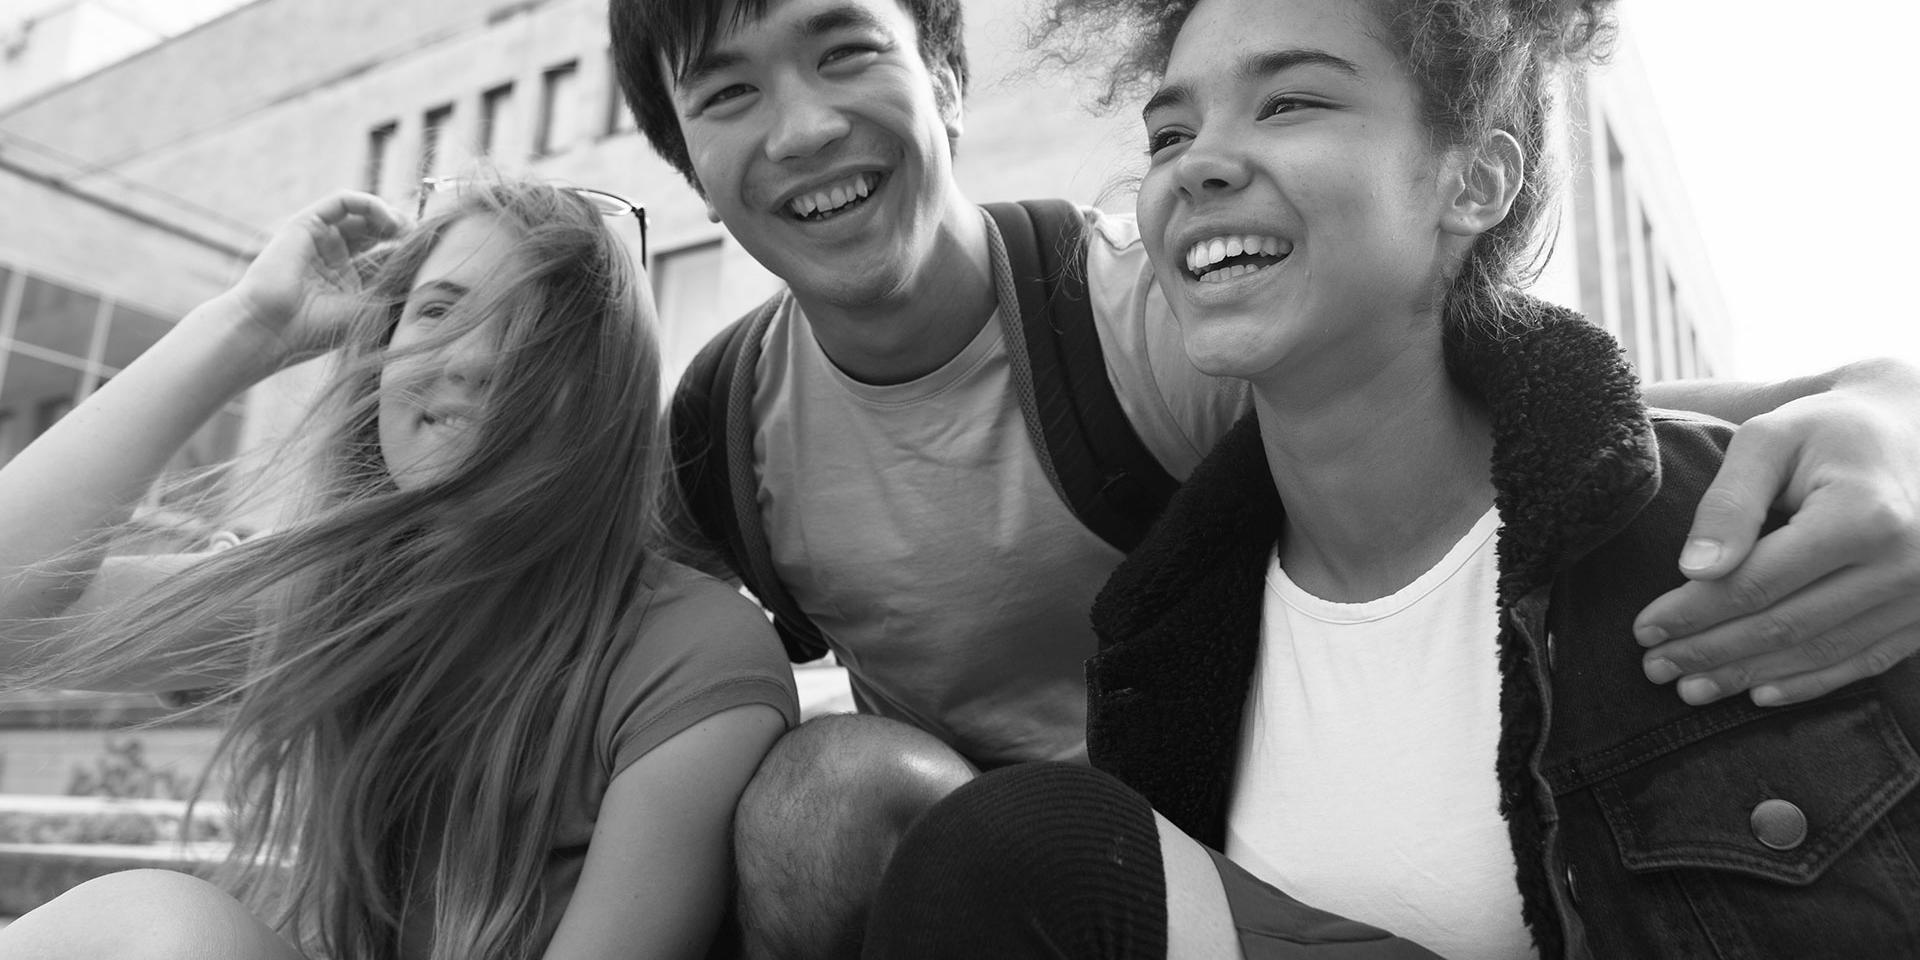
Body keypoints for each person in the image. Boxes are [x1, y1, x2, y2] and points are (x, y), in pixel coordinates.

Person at [608, 0, 1920, 954]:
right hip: (1040, 880)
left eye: (847, 50)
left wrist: (1883, 405)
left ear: (946, 74)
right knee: (841, 802)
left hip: (1195, 848)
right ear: (686, 168)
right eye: (727, 95)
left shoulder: (1154, 325)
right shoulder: (719, 428)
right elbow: (568, 628)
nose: (803, 126)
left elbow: (1513, 414)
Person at [0, 179, 798, 960]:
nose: (475, 358)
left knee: (164, 928)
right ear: (382, 357)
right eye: (440, 310)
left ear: (609, 396)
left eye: (539, 331)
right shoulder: (338, 593)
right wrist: (249, 325)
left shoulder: (695, 654)